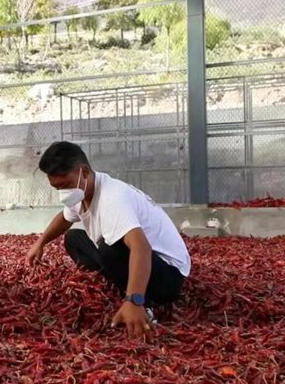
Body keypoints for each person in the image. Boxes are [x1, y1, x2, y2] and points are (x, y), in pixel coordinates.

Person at [26, 141, 191, 338]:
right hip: (145, 260)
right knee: (73, 238)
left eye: (65, 185)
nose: (63, 193)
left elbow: (141, 247)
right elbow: (64, 218)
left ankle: (143, 303)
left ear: (84, 172)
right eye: (57, 188)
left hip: (168, 276)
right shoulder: (81, 191)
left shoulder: (112, 198)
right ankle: (118, 275)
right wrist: (40, 243)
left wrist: (134, 300)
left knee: (109, 248)